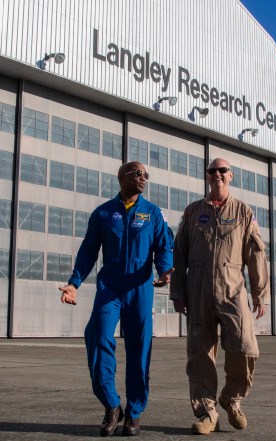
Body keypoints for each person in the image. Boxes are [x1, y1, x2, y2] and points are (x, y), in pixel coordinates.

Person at [59, 161, 174, 437]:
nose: (144, 178)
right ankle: (112, 405)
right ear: (122, 177)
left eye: (146, 175)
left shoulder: (153, 213)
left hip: (140, 289)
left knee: (139, 350)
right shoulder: (103, 213)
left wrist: (165, 270)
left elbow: (163, 246)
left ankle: (134, 412)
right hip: (109, 289)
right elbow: (88, 251)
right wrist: (74, 282)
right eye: (138, 174)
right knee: (98, 337)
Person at [170, 157, 270, 435]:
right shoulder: (193, 212)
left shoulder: (243, 212)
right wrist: (178, 290)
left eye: (222, 170)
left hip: (233, 289)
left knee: (245, 346)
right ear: (207, 176)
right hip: (198, 290)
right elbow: (179, 253)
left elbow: (256, 254)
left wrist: (260, 294)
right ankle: (207, 413)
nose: (217, 174)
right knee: (200, 353)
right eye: (212, 171)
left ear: (231, 176)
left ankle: (231, 398)